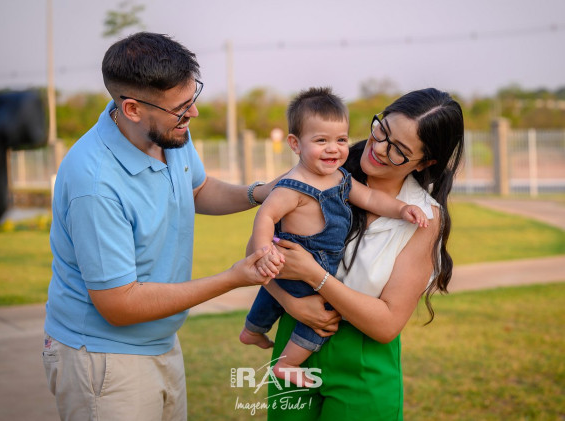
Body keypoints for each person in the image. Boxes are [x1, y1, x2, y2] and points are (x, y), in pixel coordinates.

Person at [42, 32, 277, 421]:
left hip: (161, 340)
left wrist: (260, 193)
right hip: (104, 358)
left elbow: (196, 189)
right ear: (132, 109)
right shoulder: (95, 183)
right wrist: (233, 278)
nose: (193, 113)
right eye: (181, 108)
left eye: (193, 97)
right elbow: (120, 304)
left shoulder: (169, 130)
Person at [263, 88, 464, 419]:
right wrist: (290, 302)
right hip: (293, 341)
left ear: (425, 163)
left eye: (398, 150)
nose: (380, 148)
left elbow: (387, 325)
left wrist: (315, 276)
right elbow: (259, 252)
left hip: (363, 361)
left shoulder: (423, 217)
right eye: (382, 130)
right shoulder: (324, 172)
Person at [238, 87, 428, 387]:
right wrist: (264, 250)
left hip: (311, 264)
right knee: (323, 315)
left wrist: (402, 209)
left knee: (273, 298)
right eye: (321, 141)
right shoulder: (292, 184)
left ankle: (252, 329)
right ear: (295, 144)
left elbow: (371, 198)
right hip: (299, 257)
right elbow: (266, 216)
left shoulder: (340, 178)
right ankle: (286, 364)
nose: (333, 149)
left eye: (341, 140)